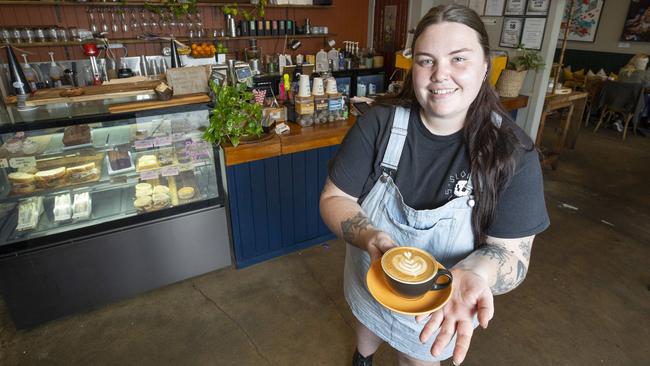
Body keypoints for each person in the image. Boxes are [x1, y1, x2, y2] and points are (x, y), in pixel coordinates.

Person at [319, 5, 549, 366]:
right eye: (426, 61)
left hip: (441, 309)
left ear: (486, 65)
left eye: (458, 59)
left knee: (417, 358)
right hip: (370, 280)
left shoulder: (514, 154)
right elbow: (336, 197)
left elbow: (513, 255)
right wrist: (370, 238)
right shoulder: (378, 123)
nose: (440, 75)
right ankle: (362, 358)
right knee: (366, 325)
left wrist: (476, 272)